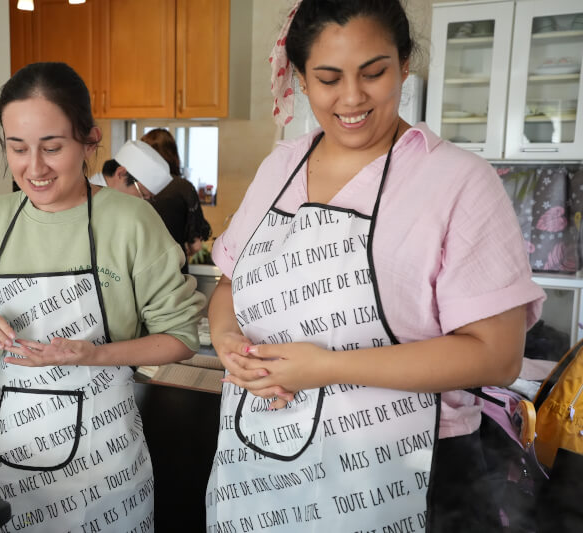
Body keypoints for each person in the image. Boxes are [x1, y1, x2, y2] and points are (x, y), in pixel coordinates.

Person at [204, 1, 545, 532]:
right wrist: (228, 341)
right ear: (301, 78)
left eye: (374, 72)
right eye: (328, 78)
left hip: (407, 476)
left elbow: (498, 355)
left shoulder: (458, 181)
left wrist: (326, 366)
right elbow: (229, 284)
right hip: (264, 465)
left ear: (405, 64)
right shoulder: (281, 167)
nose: (352, 97)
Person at [0, 61, 204, 533]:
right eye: (17, 149)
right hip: (6, 461)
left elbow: (181, 337)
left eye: (53, 147)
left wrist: (98, 354)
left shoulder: (129, 222)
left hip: (104, 476)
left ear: (90, 140)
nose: (34, 167)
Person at [141, 128, 213, 273]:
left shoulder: (136, 187)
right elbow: (196, 245)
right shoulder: (183, 187)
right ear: (173, 154)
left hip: (141, 270)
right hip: (175, 272)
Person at [101, 140, 172, 200]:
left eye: (148, 199)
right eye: (142, 194)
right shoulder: (92, 200)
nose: (142, 203)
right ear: (121, 174)